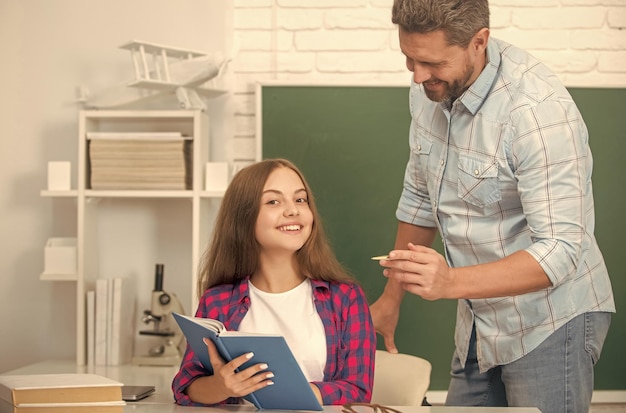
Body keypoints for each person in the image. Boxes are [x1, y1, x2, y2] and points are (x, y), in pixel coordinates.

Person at [369, 1, 615, 412]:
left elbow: (561, 251)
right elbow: (419, 196)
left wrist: (449, 283)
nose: (417, 76)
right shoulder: (428, 91)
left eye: (431, 62)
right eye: (408, 58)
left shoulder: (536, 112)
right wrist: (391, 297)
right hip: (479, 322)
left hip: (550, 322)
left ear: (478, 42)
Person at [172, 158, 375, 406]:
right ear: (244, 218)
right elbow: (185, 387)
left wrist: (299, 393)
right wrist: (220, 386)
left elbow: (359, 390)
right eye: (273, 201)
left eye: (300, 199)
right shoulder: (218, 301)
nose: (293, 210)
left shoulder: (345, 297)